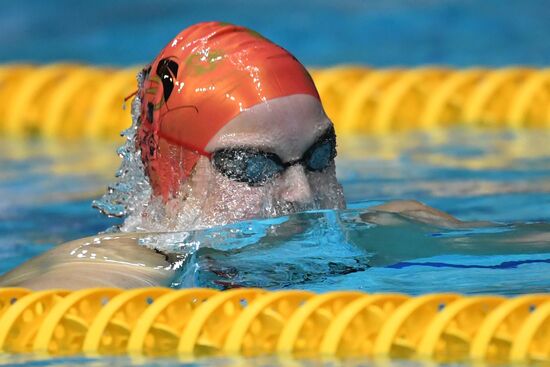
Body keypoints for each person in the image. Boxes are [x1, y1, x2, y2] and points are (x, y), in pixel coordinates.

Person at [0, 22, 468, 290]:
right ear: (174, 179)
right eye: (251, 165)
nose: (302, 194)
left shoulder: (395, 228)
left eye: (319, 155)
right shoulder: (97, 280)